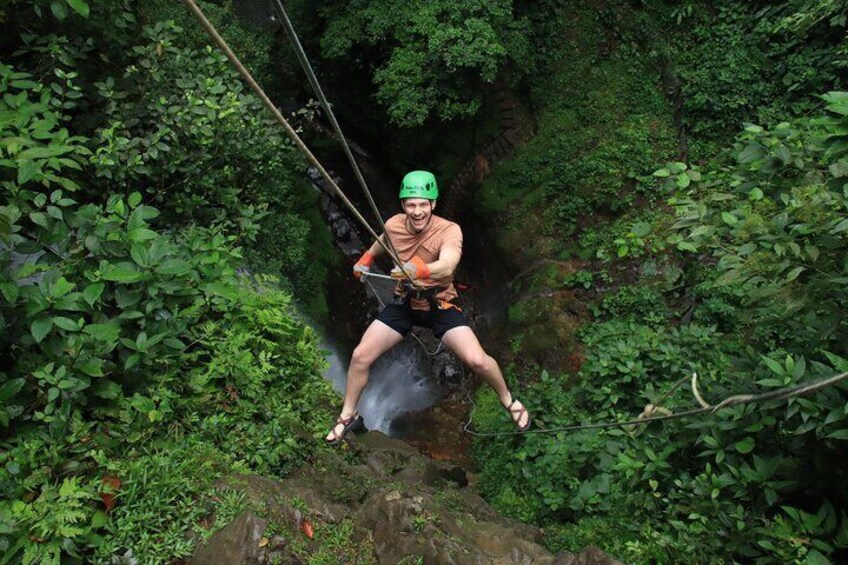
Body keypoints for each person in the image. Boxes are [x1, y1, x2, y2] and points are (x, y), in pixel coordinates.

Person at [325, 170, 531, 445]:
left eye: (423, 204)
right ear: (403, 206)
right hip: (405, 303)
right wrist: (366, 258)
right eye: (411, 204)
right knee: (361, 355)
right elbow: (385, 240)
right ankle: (348, 415)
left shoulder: (449, 230)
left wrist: (418, 268)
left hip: (440, 303)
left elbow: (447, 264)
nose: (418, 211)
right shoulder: (395, 224)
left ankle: (508, 400)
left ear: (433, 204)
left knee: (477, 361)